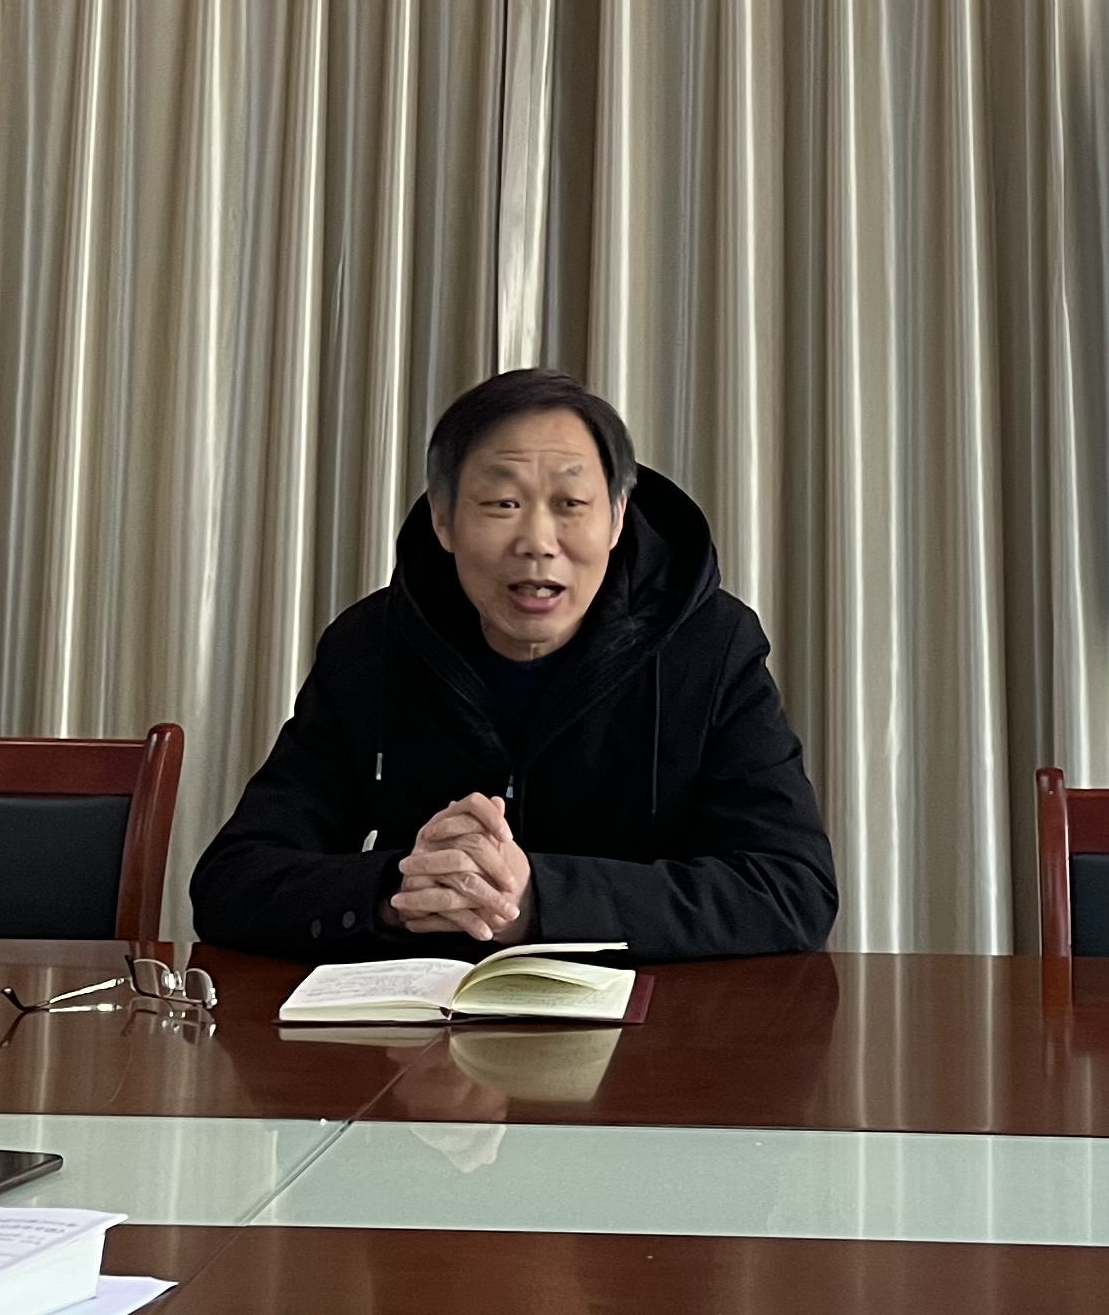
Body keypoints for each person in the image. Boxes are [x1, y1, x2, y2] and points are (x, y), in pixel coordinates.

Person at [189, 368, 837, 962]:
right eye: (502, 504)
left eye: (570, 504)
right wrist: (396, 890)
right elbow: (232, 880)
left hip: (649, 1029)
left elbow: (791, 888)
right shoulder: (370, 647)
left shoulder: (710, 646)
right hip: (420, 1030)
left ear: (617, 516)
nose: (537, 542)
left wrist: (539, 902)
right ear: (443, 519)